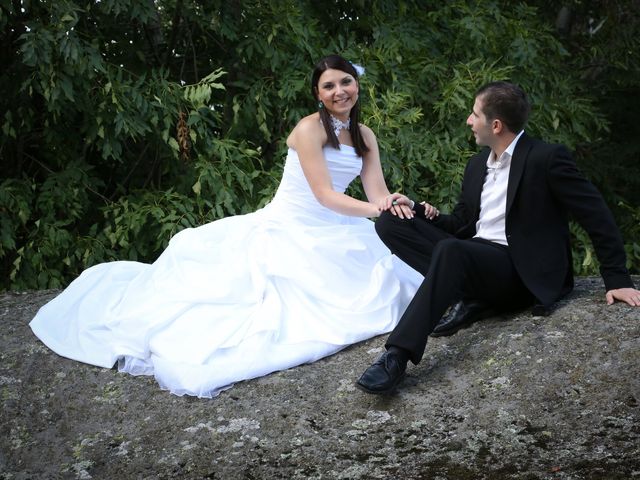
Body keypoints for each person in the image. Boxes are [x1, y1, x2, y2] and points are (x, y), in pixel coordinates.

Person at [29, 54, 422, 398]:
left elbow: (377, 192)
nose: (340, 91)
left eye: (346, 81)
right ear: (318, 94)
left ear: (356, 83)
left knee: (391, 282)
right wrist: (376, 210)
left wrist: (392, 204)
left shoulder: (365, 135)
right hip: (293, 224)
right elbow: (323, 194)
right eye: (329, 85)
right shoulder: (309, 130)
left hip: (338, 226)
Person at [356, 81, 640, 395]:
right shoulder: (477, 165)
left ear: (495, 124)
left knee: (452, 252)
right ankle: (470, 296)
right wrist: (420, 210)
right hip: (476, 258)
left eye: (474, 114)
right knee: (389, 222)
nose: (468, 121)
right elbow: (463, 225)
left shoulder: (545, 159)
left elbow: (595, 213)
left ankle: (396, 356)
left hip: (520, 272)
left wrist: (617, 278)